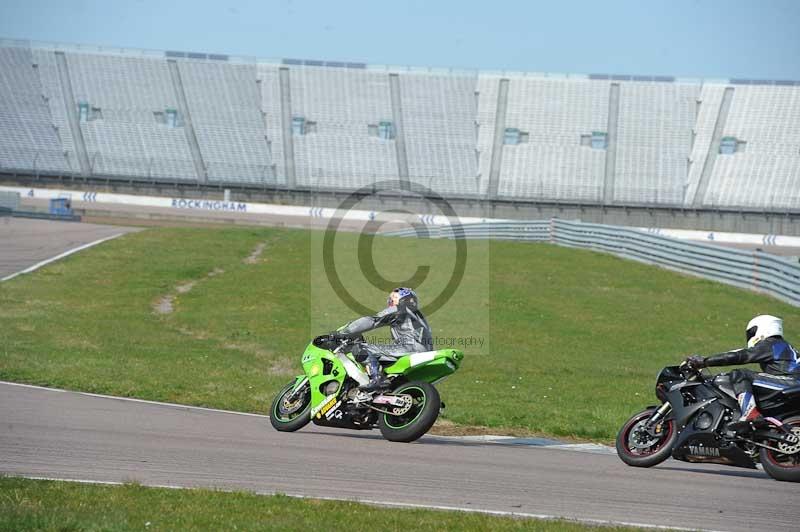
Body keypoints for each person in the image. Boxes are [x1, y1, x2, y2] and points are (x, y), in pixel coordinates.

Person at [686, 314, 800, 432]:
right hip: (792, 384)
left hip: (791, 382)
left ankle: (750, 413)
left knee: (741, 374)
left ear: (763, 328)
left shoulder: (772, 344)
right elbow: (738, 352)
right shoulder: (780, 346)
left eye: (751, 332)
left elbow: (741, 355)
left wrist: (705, 362)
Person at [331, 287, 432, 392]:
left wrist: (342, 332)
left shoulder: (399, 309)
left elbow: (372, 321)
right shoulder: (419, 317)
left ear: (402, 299)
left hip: (409, 348)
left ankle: (377, 379)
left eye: (392, 300)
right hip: (423, 351)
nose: (391, 303)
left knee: (361, 348)